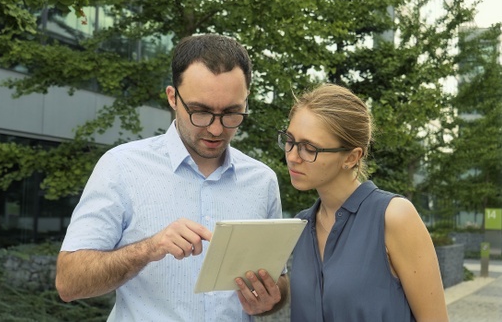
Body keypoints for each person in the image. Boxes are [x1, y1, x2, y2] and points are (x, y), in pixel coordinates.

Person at [55, 34, 288, 321]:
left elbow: (280, 283)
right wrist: (149, 248)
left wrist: (269, 299)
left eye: (231, 113)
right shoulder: (121, 167)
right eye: (200, 112)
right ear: (172, 98)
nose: (216, 129)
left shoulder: (263, 181)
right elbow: (69, 282)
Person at [281, 84, 449, 321]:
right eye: (289, 140)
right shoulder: (300, 224)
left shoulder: (393, 216)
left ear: (351, 157)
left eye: (309, 148)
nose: (292, 156)